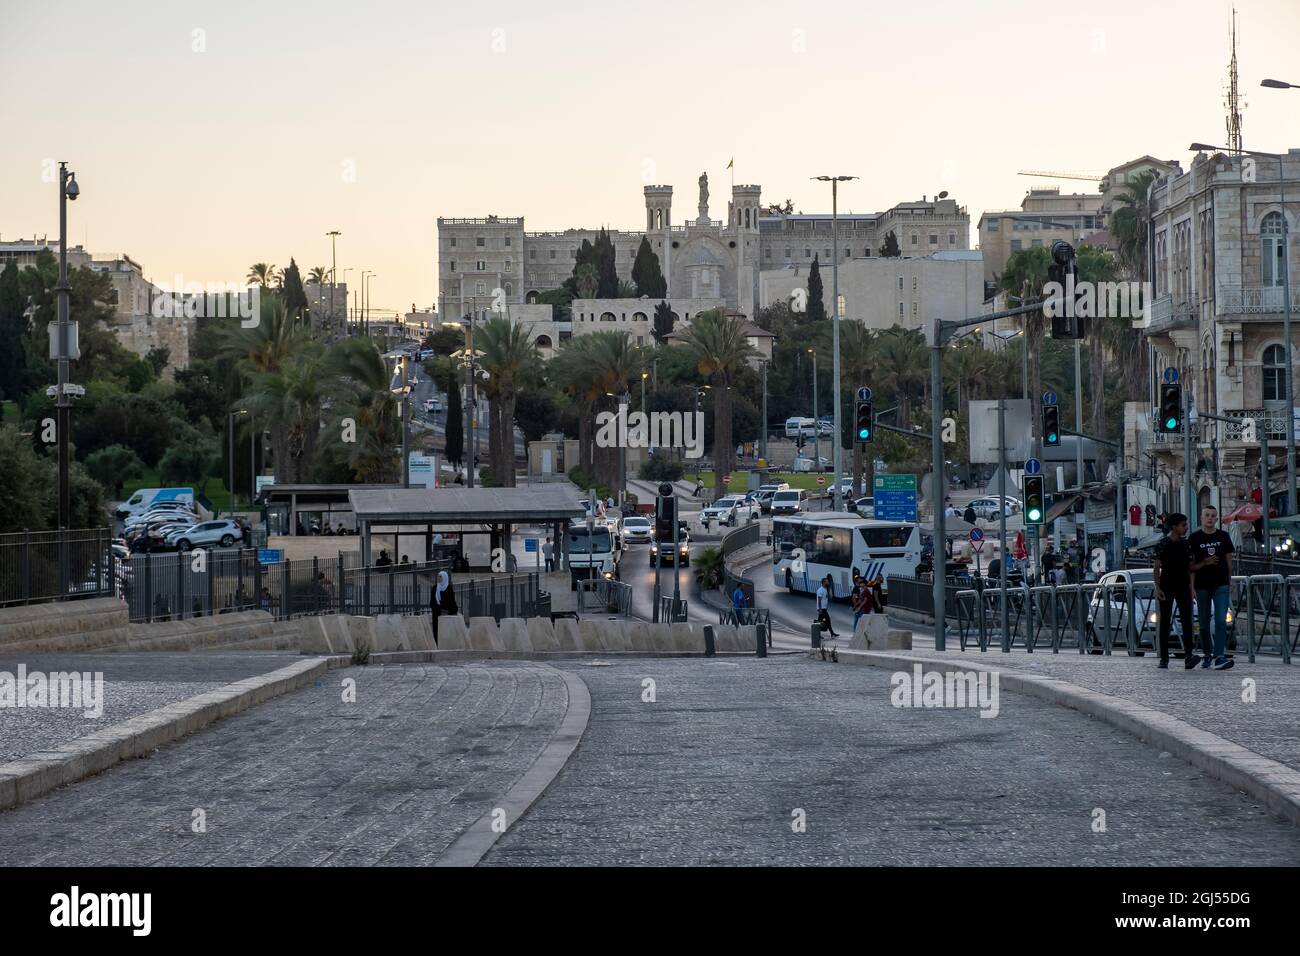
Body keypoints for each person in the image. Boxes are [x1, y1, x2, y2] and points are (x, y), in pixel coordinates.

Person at [1152, 512, 1200, 670]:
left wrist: (1192, 587)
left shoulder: (1186, 544)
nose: (1186, 528)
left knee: (1187, 621)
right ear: (1174, 527)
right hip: (1167, 585)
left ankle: (1188, 655)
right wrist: (1158, 587)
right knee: (1165, 621)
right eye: (1183, 525)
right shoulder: (1163, 543)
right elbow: (1157, 566)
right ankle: (1164, 658)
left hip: (1183, 585)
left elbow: (1191, 568)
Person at [1189, 505, 1235, 670]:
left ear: (1216, 519)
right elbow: (1191, 565)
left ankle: (1219, 655)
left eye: (1213, 516)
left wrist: (1229, 580)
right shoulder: (1194, 539)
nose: (1210, 518)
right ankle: (1207, 654)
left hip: (1221, 584)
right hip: (1202, 586)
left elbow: (1229, 561)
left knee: (1221, 621)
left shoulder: (1224, 536)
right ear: (1201, 518)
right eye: (1207, 515)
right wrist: (1191, 587)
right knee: (1203, 623)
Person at [430, 569, 457, 646]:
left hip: (447, 614)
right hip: (436, 614)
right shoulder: (435, 588)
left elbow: (452, 601)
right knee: (436, 630)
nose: (438, 578)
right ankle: (437, 644)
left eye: (440, 577)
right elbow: (432, 602)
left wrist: (449, 611)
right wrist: (438, 610)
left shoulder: (449, 588)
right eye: (438, 576)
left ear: (444, 577)